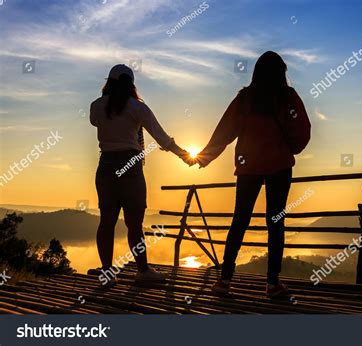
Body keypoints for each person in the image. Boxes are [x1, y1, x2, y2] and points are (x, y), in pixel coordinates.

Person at [195, 51, 311, 298]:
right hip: (279, 166)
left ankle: (225, 279)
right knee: (276, 222)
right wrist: (291, 148)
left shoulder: (245, 99)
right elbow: (303, 130)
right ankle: (272, 283)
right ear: (282, 73)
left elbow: (225, 130)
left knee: (239, 221)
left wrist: (205, 156)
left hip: (248, 167)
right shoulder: (287, 97)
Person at [90, 64, 193, 287]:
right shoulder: (138, 108)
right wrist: (185, 155)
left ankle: (107, 273)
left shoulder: (96, 107)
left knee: (106, 221)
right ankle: (143, 270)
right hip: (131, 165)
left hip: (105, 165)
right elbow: (162, 138)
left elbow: (95, 121)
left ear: (109, 82)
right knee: (134, 223)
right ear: (131, 84)